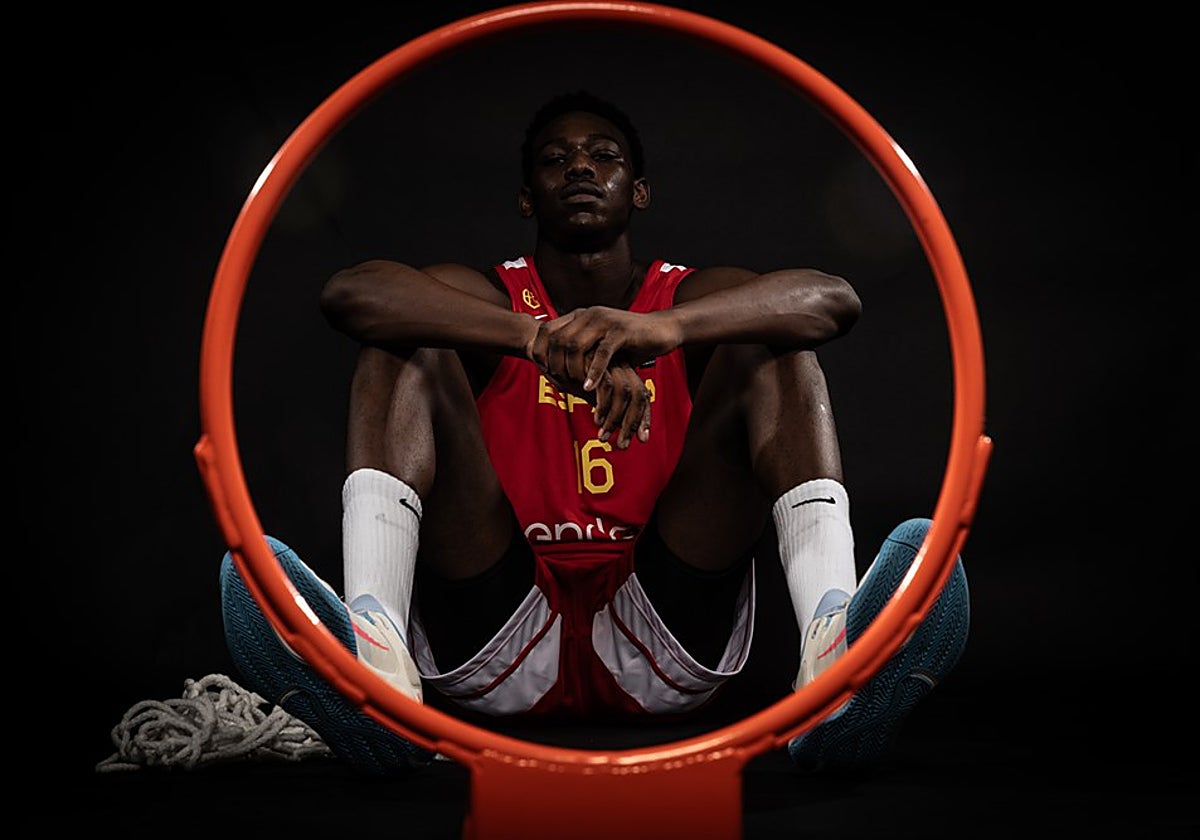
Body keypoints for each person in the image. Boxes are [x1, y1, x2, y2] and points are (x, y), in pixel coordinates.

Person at [219, 90, 969, 775]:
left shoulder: (684, 297)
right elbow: (353, 293)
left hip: (663, 624)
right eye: (555, 158)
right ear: (526, 196)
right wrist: (538, 339)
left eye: (603, 155)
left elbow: (830, 299)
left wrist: (661, 330)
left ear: (637, 192)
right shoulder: (487, 299)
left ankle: (833, 659)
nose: (579, 164)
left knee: (772, 341)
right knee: (402, 340)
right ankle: (376, 668)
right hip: (496, 626)